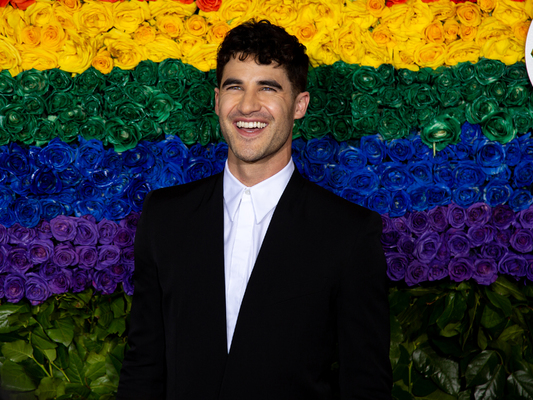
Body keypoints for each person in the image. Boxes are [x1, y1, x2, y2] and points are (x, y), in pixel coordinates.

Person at [117, 20, 391, 400]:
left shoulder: (348, 233)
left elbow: (365, 385)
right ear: (217, 100)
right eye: (235, 87)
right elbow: (143, 368)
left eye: (268, 87)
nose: (247, 106)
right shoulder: (164, 217)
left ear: (299, 105)